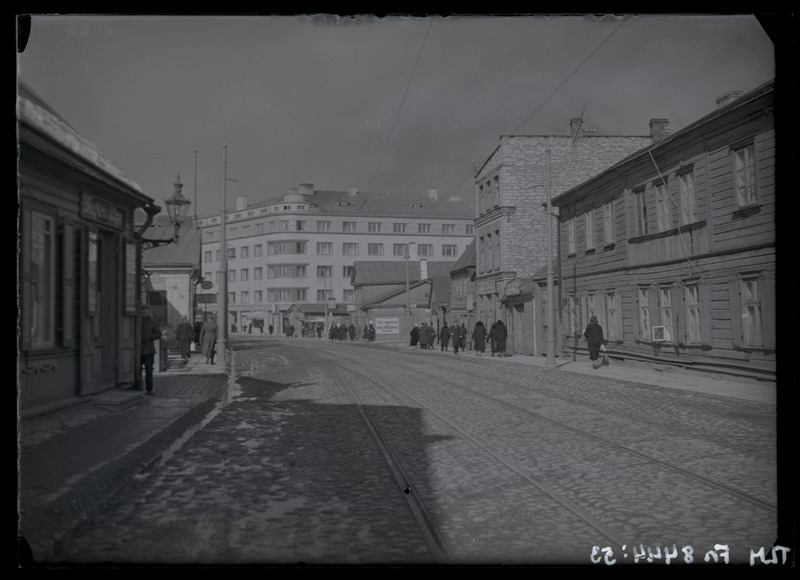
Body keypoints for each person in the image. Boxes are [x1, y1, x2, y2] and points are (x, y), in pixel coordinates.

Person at [140, 305, 162, 395]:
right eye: (142, 311)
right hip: (138, 349)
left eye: (145, 311)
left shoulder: (153, 322)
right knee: (137, 370)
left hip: (149, 349)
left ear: (149, 312)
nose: (144, 313)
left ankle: (149, 389)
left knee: (149, 370)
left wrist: (151, 337)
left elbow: (158, 334)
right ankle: (138, 387)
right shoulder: (137, 320)